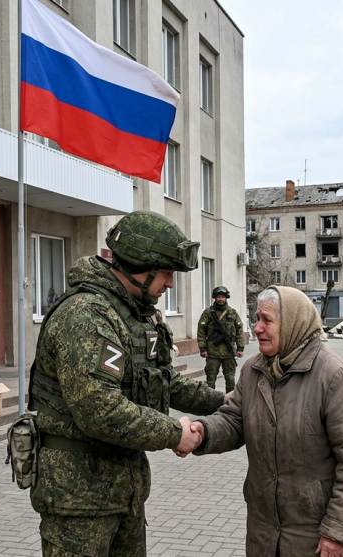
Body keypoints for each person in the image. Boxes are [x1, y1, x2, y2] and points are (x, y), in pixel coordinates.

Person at [29, 210, 229, 556]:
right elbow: (99, 408)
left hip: (124, 490)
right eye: (166, 273)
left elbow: (163, 382)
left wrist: (224, 403)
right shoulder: (87, 315)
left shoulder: (136, 313)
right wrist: (173, 432)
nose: (169, 284)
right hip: (78, 499)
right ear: (141, 266)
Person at [188, 286, 343, 557]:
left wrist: (338, 531)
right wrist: (202, 432)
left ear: (292, 324)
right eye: (257, 319)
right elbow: (234, 420)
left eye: (267, 320)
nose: (256, 328)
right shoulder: (253, 370)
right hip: (265, 532)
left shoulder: (335, 376)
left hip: (316, 536)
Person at [197, 286, 245, 391]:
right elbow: (201, 331)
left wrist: (240, 348)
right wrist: (203, 348)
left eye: (223, 297)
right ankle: (210, 402)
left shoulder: (232, 313)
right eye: (218, 297)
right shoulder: (208, 313)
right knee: (210, 379)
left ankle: (230, 402)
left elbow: (239, 330)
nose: (220, 299)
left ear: (226, 298)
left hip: (229, 352)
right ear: (215, 298)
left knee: (230, 379)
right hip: (212, 351)